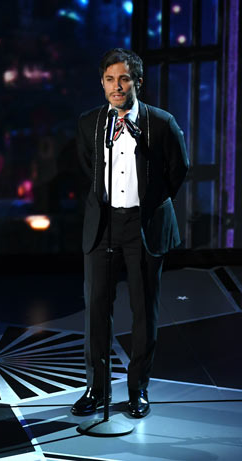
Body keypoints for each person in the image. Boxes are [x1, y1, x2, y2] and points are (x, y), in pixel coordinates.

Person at [72, 48, 189, 418]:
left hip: (144, 223)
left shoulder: (162, 122)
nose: (116, 87)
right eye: (109, 79)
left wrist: (150, 203)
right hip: (103, 225)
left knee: (143, 311)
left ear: (137, 81)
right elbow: (88, 169)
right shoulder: (89, 123)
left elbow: (178, 170)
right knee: (96, 310)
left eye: (123, 79)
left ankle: (138, 389)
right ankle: (96, 387)